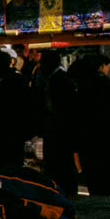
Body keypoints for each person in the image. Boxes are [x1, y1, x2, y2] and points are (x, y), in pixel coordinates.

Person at [75, 53, 110, 196]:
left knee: (94, 182)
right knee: (109, 181)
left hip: (90, 141)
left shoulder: (83, 87)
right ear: (101, 67)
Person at [38, 50, 78, 197]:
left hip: (60, 128)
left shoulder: (59, 79)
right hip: (56, 127)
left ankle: (63, 189)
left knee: (61, 161)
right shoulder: (55, 77)